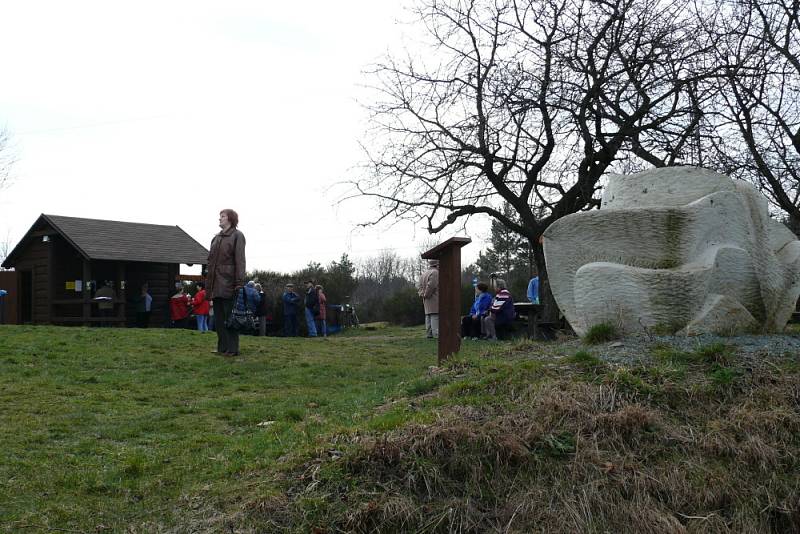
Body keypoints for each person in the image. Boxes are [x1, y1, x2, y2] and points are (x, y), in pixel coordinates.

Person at [206, 209, 246, 356]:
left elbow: (240, 261)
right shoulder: (215, 238)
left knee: (230, 318)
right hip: (215, 284)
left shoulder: (237, 235)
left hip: (229, 284)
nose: (219, 219)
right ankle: (222, 347)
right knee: (219, 319)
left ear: (230, 219)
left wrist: (239, 283)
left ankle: (232, 348)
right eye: (220, 216)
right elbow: (210, 263)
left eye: (222, 216)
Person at [418, 259, 439, 338]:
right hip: (434, 298)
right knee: (434, 316)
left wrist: (422, 295)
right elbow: (431, 286)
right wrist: (426, 294)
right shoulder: (435, 273)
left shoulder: (424, 273)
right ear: (437, 265)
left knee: (428, 316)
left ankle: (429, 334)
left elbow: (419, 287)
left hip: (426, 300)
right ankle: (436, 335)